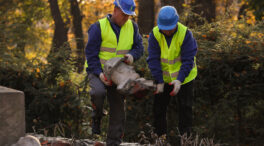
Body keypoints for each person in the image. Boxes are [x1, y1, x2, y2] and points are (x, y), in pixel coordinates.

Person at [85, 0, 144, 145]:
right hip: (97, 70)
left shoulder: (132, 27)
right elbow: (91, 55)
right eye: (124, 14)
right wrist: (99, 74)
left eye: (128, 16)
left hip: (118, 73)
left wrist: (131, 56)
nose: (126, 19)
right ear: (115, 10)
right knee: (98, 93)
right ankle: (97, 117)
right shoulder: (98, 27)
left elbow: (139, 48)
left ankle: (114, 141)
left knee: (118, 106)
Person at [147, 6, 198, 139]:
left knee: (185, 110)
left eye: (171, 27)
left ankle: (186, 140)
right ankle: (160, 140)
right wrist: (158, 81)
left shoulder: (186, 34)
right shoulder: (155, 34)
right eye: (165, 28)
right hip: (162, 79)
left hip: (184, 79)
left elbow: (188, 60)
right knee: (158, 110)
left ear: (176, 22)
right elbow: (153, 60)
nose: (168, 31)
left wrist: (179, 80)